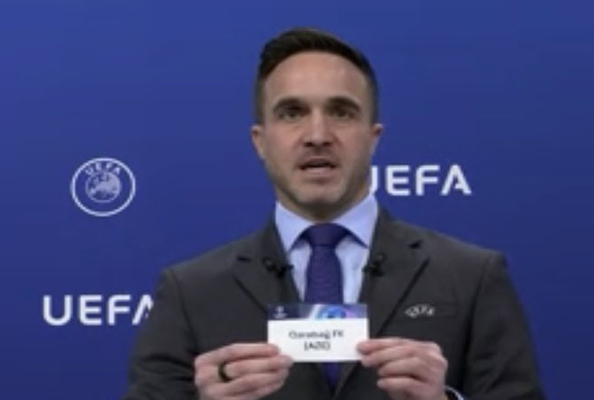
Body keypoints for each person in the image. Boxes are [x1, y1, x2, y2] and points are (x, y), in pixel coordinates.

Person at [123, 27, 544, 400]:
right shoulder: (190, 292)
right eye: (292, 113)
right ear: (260, 141)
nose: (317, 135)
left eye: (341, 112)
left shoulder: (472, 277)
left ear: (373, 137)